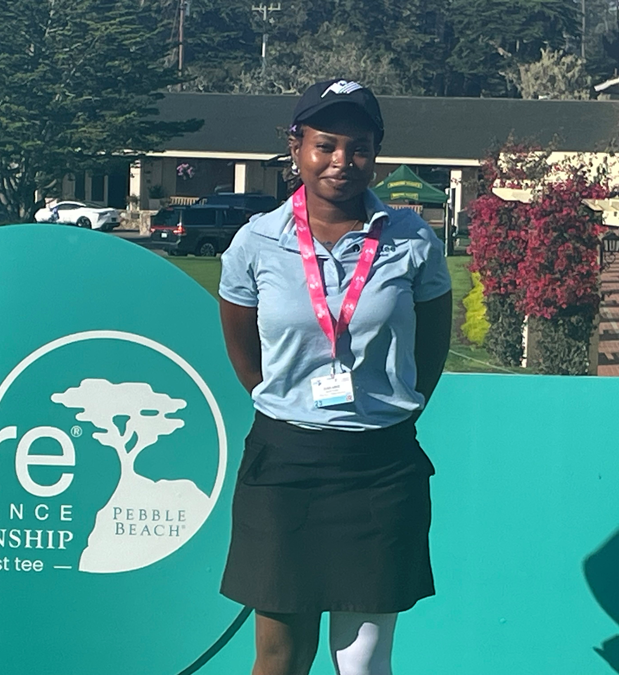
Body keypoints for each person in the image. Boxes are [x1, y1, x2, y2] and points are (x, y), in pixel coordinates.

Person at [218, 80, 452, 675]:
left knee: (364, 663)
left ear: (376, 153)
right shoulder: (255, 243)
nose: (342, 161)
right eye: (325, 145)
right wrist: (295, 409)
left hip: (379, 468)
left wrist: (388, 410)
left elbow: (432, 349)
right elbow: (246, 357)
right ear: (295, 148)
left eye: (359, 147)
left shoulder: (412, 240)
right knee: (281, 658)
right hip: (285, 464)